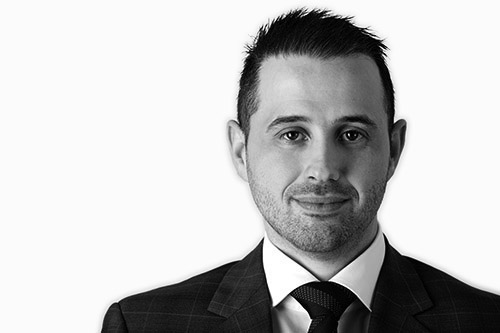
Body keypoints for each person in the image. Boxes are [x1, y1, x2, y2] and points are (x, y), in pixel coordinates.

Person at [102, 8, 500, 332]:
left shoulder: (486, 322)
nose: (323, 169)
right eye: (292, 134)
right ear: (241, 151)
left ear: (393, 148)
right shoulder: (141, 325)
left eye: (351, 134)